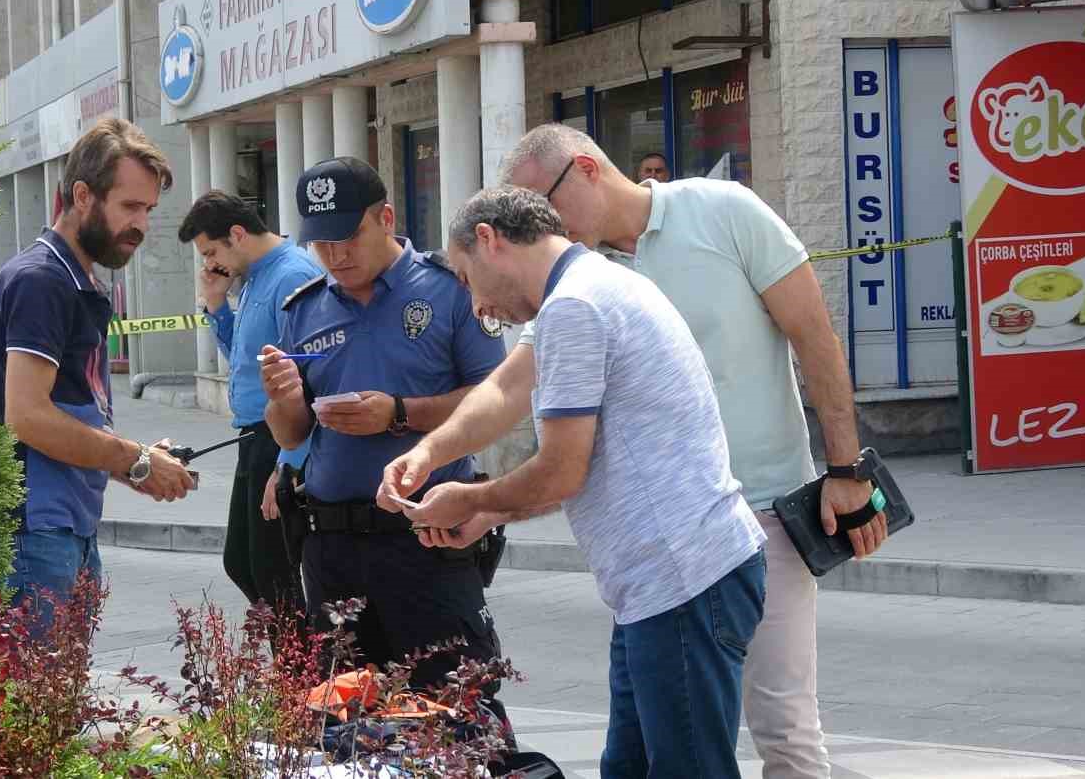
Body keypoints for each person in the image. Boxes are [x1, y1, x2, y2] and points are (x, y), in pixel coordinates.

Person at [500, 124, 887, 779]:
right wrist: (419, 434)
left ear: (588, 170)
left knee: (785, 727)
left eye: (548, 208)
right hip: (660, 545)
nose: (546, 229)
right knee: (655, 740)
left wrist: (846, 470)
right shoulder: (578, 274)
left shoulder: (722, 211)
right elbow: (514, 382)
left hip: (765, 515)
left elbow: (815, 338)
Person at [380, 186, 767, 779]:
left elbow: (562, 471)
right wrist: (432, 454)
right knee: (629, 768)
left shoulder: (574, 306)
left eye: (465, 277)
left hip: (681, 577)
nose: (475, 302)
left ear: (489, 240)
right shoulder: (591, 282)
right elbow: (506, 388)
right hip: (665, 580)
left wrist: (472, 499)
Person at [256, 157, 509, 712]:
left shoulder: (447, 290)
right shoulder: (304, 307)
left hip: (425, 538)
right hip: (332, 545)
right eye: (321, 243)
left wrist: (398, 413)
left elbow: (495, 398)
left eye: (348, 237)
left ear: (386, 218)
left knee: (459, 710)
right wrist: (284, 399)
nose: (335, 256)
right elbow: (293, 433)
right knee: (342, 717)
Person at [0, 118, 195, 632]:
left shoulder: (72, 280)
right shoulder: (42, 282)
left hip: (63, 529)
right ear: (81, 195)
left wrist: (138, 467)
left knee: (57, 705)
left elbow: (69, 411)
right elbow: (27, 418)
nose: (141, 224)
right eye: (130, 207)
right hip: (35, 534)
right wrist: (136, 459)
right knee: (36, 707)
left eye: (149, 210)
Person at [179, 190, 321, 616]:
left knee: (272, 572)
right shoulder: (256, 276)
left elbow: (313, 379)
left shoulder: (292, 275)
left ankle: (303, 674)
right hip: (252, 435)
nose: (209, 263)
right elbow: (242, 358)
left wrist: (288, 460)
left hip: (279, 435)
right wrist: (218, 305)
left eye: (211, 251)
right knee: (241, 562)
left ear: (237, 234)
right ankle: (296, 669)